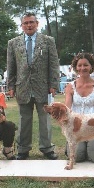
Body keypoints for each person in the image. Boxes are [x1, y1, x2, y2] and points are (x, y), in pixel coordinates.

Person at [7, 12, 60, 160]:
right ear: (22, 26)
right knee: (24, 119)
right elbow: (11, 66)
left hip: (43, 87)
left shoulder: (48, 41)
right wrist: (11, 86)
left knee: (45, 119)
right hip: (22, 87)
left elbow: (54, 64)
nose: (29, 25)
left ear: (37, 24)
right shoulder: (13, 43)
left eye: (31, 22)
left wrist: (53, 84)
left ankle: (47, 148)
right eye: (26, 23)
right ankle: (23, 149)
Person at [64, 53, 94, 163]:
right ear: (75, 67)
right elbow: (67, 109)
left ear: (91, 67)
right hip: (76, 129)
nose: (82, 68)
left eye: (86, 65)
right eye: (79, 65)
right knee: (78, 158)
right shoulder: (70, 87)